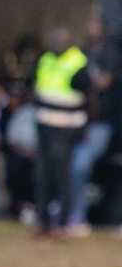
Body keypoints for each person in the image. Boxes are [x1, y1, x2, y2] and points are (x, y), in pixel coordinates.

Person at [33, 26, 91, 239]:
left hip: (66, 128)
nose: (57, 43)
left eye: (61, 39)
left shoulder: (77, 61)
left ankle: (63, 224)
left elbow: (89, 96)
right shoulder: (46, 60)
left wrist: (83, 127)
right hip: (45, 126)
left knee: (61, 176)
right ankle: (43, 223)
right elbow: (38, 89)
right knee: (42, 175)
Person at [67, 16, 118, 236]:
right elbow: (74, 82)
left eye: (95, 28)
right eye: (88, 28)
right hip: (78, 121)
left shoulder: (111, 54)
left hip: (102, 124)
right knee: (69, 166)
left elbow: (103, 82)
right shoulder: (81, 55)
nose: (91, 32)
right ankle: (73, 215)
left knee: (79, 164)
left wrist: (91, 84)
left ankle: (78, 214)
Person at [3, 81, 39, 224]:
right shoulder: (22, 113)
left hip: (40, 156)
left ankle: (38, 207)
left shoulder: (47, 115)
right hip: (20, 153)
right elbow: (11, 139)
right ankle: (19, 206)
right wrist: (24, 151)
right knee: (16, 168)